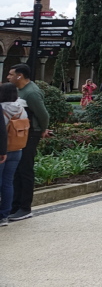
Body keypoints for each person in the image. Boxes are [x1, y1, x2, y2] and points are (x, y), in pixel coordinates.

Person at [6, 64, 51, 221]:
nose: (8, 77)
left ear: (19, 76)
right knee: (17, 170)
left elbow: (43, 114)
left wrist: (43, 129)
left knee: (25, 169)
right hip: (20, 133)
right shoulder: (20, 90)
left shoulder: (31, 92)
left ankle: (25, 208)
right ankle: (15, 206)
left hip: (31, 133)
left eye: (11, 74)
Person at [0, 82, 28, 227]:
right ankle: (4, 215)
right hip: (17, 149)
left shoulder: (2, 109)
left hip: (2, 151)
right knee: (8, 183)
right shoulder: (21, 108)